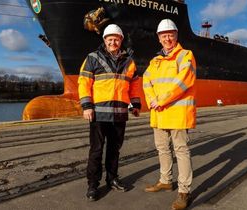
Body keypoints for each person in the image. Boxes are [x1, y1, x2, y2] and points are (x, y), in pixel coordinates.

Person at [78, 24, 141, 201]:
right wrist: (87, 106)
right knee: (96, 151)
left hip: (120, 113)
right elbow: (84, 82)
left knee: (115, 150)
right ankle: (92, 185)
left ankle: (112, 179)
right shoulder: (92, 58)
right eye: (110, 39)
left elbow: (134, 84)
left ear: (121, 40)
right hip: (98, 114)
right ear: (104, 40)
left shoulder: (129, 61)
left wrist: (135, 104)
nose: (113, 42)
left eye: (116, 39)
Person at [142, 19, 196, 210]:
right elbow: (146, 80)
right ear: (158, 38)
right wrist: (151, 100)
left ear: (176, 36)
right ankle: (166, 180)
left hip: (178, 113)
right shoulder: (154, 61)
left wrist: (161, 99)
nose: (167, 38)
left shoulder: (185, 56)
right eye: (163, 35)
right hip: (158, 113)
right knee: (162, 149)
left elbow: (183, 82)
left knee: (181, 151)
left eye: (170, 35)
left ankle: (184, 191)